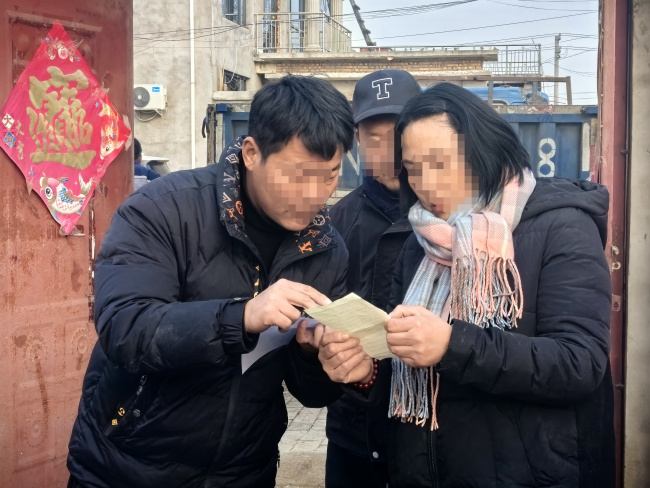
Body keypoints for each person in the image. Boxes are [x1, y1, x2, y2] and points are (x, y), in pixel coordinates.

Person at [317, 82, 615, 488]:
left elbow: (579, 363)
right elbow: (401, 367)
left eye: (440, 163)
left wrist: (451, 345)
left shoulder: (563, 227)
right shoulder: (418, 243)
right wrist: (365, 371)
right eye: (413, 168)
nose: (426, 185)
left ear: (483, 150)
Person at [67, 75, 355, 488]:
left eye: (329, 176)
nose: (314, 195)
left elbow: (311, 393)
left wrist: (319, 357)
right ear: (252, 153)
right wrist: (240, 317)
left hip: (243, 471)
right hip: (125, 467)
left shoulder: (326, 248)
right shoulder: (163, 209)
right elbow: (124, 327)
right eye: (298, 175)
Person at [325, 69, 421, 488]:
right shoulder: (336, 220)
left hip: (430, 421)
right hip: (355, 422)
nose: (390, 150)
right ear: (358, 140)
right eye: (375, 137)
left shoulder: (450, 212)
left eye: (399, 134)